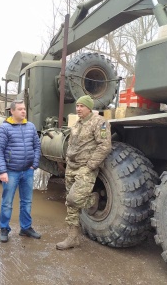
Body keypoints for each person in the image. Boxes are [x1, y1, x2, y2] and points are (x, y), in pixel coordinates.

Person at [56, 95, 112, 250]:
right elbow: (72, 143)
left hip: (85, 168)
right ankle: (72, 237)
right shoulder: (78, 123)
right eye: (77, 106)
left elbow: (104, 145)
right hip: (71, 167)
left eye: (81, 106)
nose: (78, 109)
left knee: (74, 199)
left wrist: (90, 166)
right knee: (70, 203)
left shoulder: (99, 122)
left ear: (89, 107)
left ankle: (93, 200)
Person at [0, 99, 41, 243]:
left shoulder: (31, 126)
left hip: (27, 171)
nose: (23, 111)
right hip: (11, 171)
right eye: (20, 109)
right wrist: (2, 171)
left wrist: (34, 164)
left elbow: (37, 146)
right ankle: (4, 229)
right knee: (7, 202)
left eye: (24, 109)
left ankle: (25, 228)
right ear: (12, 111)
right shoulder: (5, 128)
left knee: (27, 202)